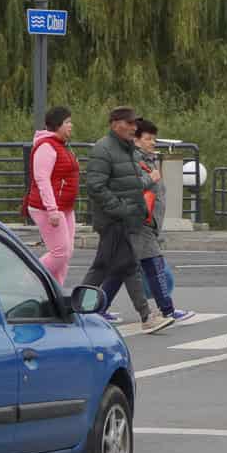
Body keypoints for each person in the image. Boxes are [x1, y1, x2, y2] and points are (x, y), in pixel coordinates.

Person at [81, 106, 168, 334]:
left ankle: (146, 316)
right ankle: (79, 310)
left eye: (134, 124)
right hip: (113, 219)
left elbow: (130, 182)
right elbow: (95, 186)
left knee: (128, 267)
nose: (133, 127)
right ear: (114, 123)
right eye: (128, 123)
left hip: (128, 218)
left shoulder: (126, 148)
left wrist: (142, 191)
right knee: (103, 267)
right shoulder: (104, 149)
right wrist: (118, 209)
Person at [130, 119, 193, 323]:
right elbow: (133, 187)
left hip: (147, 223)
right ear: (136, 140)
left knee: (118, 270)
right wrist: (152, 178)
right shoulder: (135, 160)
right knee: (154, 266)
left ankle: (98, 307)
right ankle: (167, 310)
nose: (152, 143)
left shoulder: (147, 159)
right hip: (142, 222)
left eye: (154, 139)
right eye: (148, 139)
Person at [25, 106, 79, 284]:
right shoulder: (46, 146)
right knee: (60, 253)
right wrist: (52, 209)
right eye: (67, 122)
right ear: (57, 125)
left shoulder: (62, 145)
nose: (71, 125)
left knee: (66, 253)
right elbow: (42, 179)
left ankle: (56, 293)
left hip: (65, 207)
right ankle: (27, 280)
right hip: (47, 208)